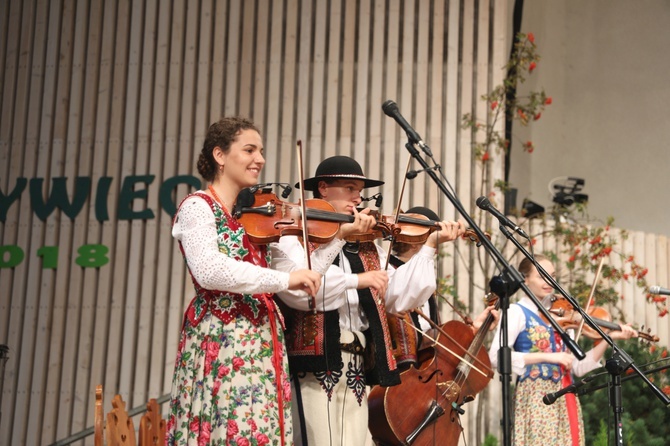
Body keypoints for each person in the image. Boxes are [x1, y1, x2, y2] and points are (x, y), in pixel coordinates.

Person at [165, 118, 375, 446]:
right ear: (220, 155)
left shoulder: (259, 217)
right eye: (249, 150)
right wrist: (283, 278)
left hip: (263, 339)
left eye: (261, 150)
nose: (260, 158)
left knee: (258, 428)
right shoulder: (198, 207)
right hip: (224, 335)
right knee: (226, 423)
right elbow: (210, 270)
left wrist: (338, 238)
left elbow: (305, 274)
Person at [275, 156, 466, 446]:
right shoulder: (295, 234)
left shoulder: (367, 244)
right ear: (323, 189)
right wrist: (339, 237)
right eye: (350, 188)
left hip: (358, 362)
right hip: (315, 363)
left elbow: (397, 295)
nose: (358, 197)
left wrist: (428, 247)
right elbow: (305, 288)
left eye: (360, 191)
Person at [487, 254, 637, 446]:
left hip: (566, 395)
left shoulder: (562, 314)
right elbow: (495, 357)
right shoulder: (516, 312)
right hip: (536, 397)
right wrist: (550, 357)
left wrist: (608, 338)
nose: (549, 281)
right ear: (525, 279)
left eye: (552, 276)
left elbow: (578, 367)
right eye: (541, 276)